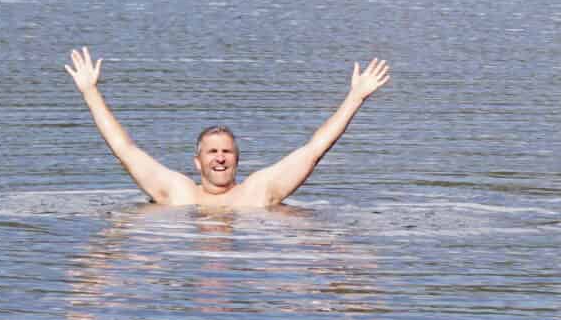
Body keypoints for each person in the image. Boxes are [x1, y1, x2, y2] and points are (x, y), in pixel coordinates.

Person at [64, 46, 392, 209]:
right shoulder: (178, 193)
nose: (219, 158)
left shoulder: (256, 193)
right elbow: (126, 151)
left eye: (226, 152)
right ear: (197, 161)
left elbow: (313, 150)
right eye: (212, 152)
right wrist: (90, 92)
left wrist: (356, 97)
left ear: (237, 159)